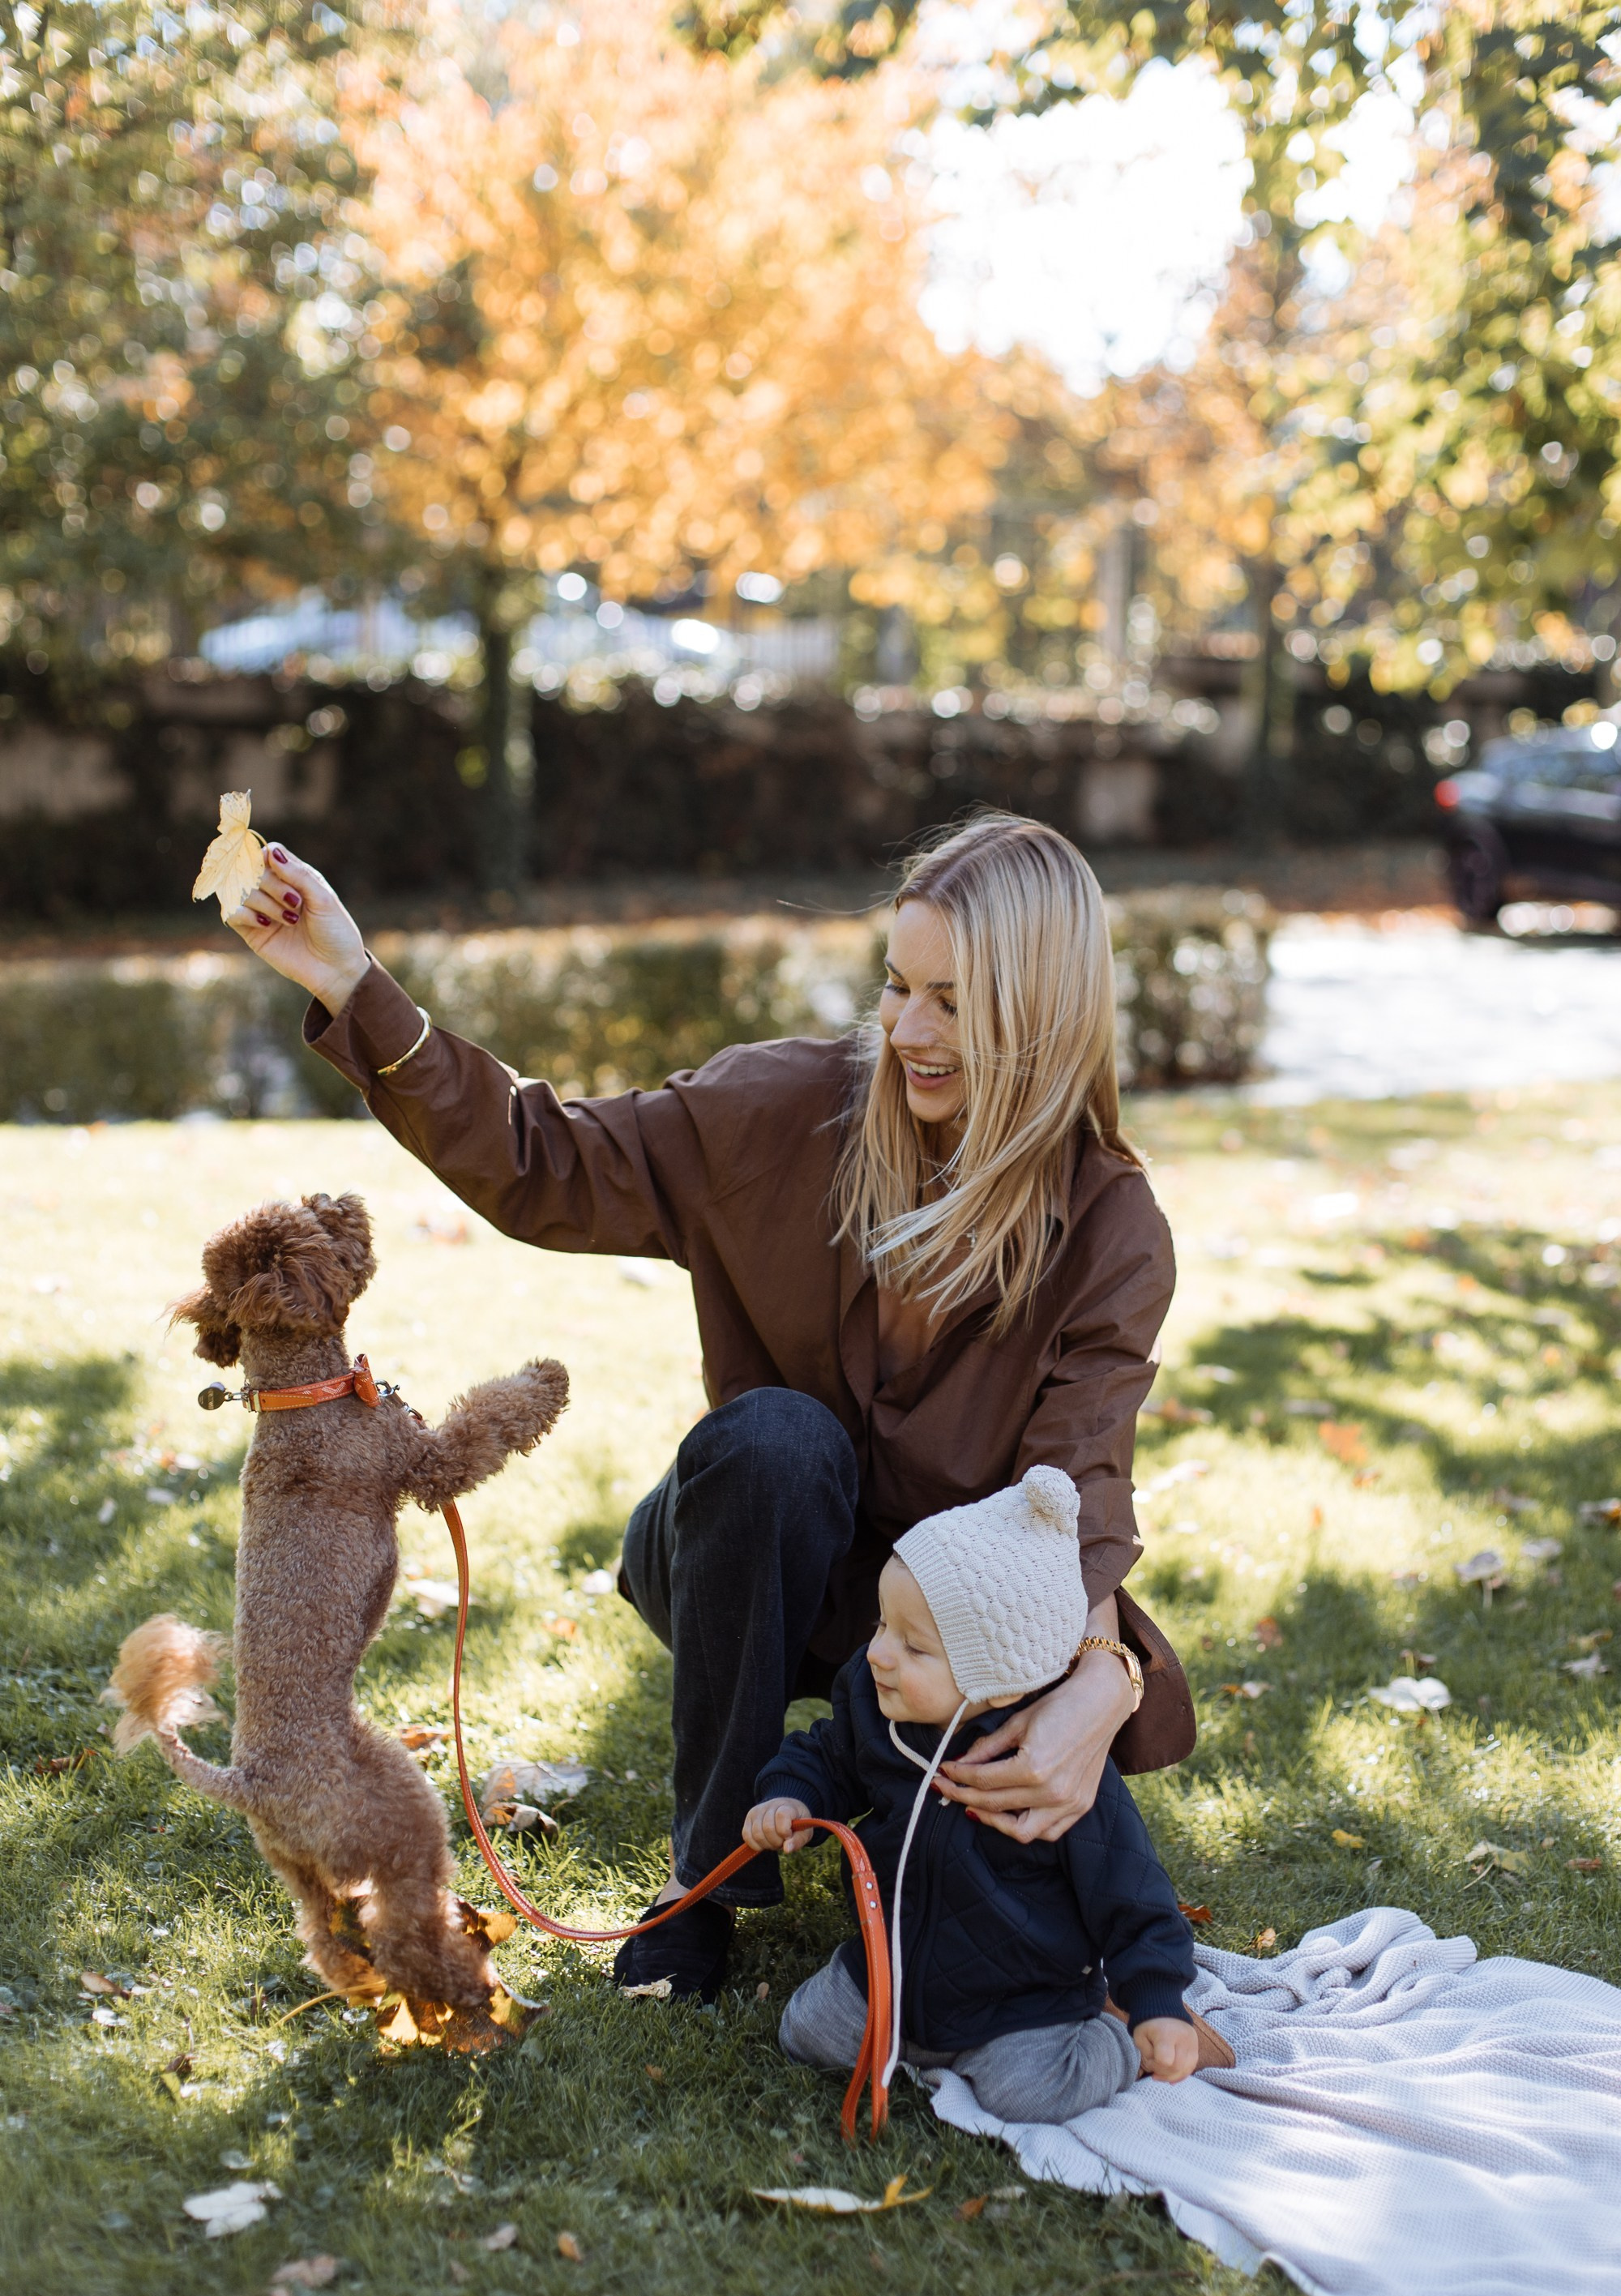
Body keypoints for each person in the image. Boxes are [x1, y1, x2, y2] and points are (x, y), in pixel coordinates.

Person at [225, 812, 1188, 1999]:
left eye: (955, 1002)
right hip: (739, 1547)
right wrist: (350, 979)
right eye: (897, 987)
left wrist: (1103, 1671)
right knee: (777, 1440)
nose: (908, 1030)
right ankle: (705, 1880)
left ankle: (870, 1780)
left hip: (939, 1630)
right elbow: (545, 1162)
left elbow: (1073, 1485)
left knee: (989, 1897)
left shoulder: (1111, 1229)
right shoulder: (784, 1109)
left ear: (1042, 1014)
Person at [746, 1468, 1209, 2125]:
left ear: (997, 1682)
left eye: (913, 1645)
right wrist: (791, 1798)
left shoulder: (1054, 1771)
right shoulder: (879, 1710)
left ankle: (1109, 2038)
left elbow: (1132, 1890)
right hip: (890, 1974)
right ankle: (910, 2039)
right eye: (882, 1624)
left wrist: (1158, 2001)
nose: (878, 1653)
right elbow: (827, 1755)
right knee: (807, 2032)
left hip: (1017, 2005)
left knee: (1028, 2094)